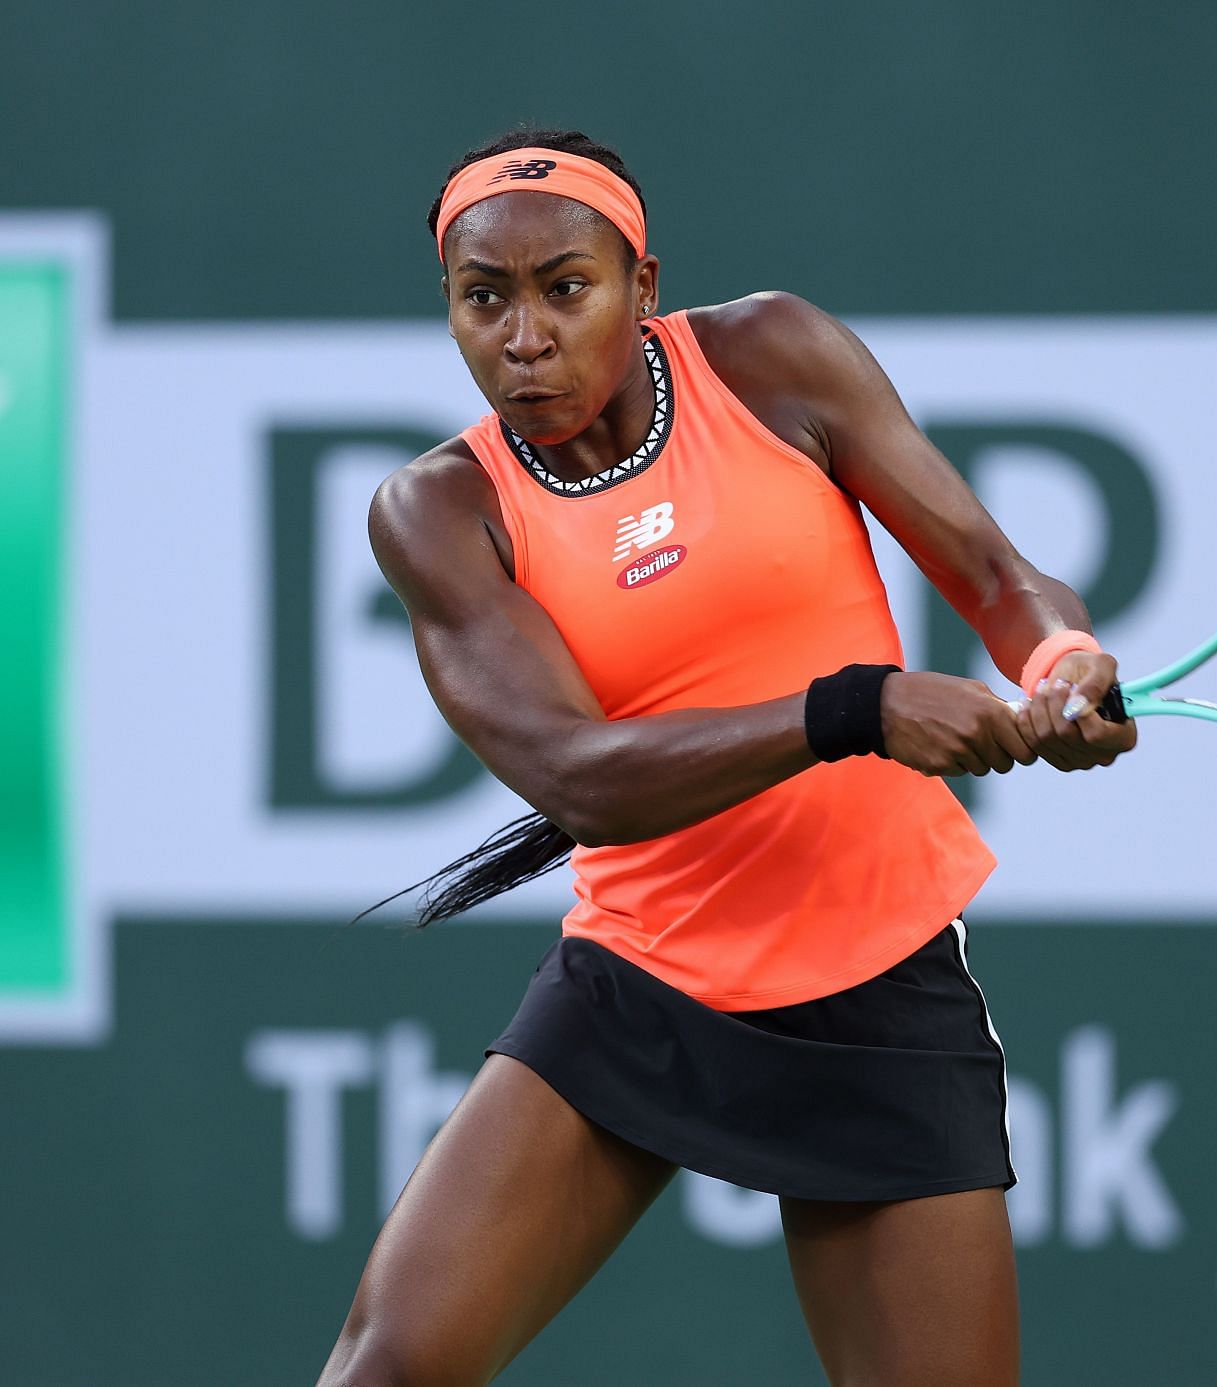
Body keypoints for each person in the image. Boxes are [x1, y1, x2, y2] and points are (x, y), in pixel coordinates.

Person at [316, 129, 1135, 1387]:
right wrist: (852, 708)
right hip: (643, 982)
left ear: (643, 287)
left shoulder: (770, 358)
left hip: (879, 970)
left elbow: (993, 572)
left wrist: (1061, 655)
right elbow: (577, 778)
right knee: (391, 1367)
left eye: (565, 288)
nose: (524, 334)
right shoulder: (439, 511)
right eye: (485, 298)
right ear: (450, 308)